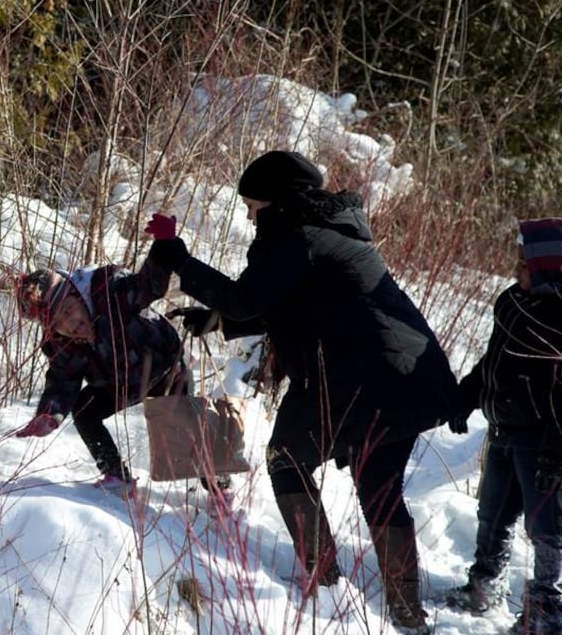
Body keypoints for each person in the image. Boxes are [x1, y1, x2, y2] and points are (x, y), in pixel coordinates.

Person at [145, 150, 459, 632]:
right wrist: (218, 317)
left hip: (359, 377)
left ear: (279, 201)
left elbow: (252, 296)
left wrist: (178, 259)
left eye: (254, 206)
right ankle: (405, 612)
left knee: (286, 459)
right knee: (379, 487)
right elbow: (294, 301)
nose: (250, 217)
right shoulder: (328, 233)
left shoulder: (299, 238)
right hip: (404, 379)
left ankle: (325, 581)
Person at [445, 218, 562, 635]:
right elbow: (493, 359)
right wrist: (467, 394)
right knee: (493, 511)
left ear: (550, 268)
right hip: (503, 425)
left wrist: (559, 448)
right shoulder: (511, 302)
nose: (515, 269)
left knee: (545, 525)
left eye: (524, 263)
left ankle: (546, 609)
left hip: (545, 436)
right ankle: (484, 583)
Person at [14, 261, 189, 497]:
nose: (69, 325)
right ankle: (117, 476)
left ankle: (220, 491)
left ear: (78, 294)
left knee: (186, 434)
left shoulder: (109, 291)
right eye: (56, 323)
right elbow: (63, 379)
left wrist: (165, 249)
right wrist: (48, 414)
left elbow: (150, 285)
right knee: (84, 409)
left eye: (68, 311)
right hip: (118, 382)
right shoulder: (61, 341)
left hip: (165, 368)